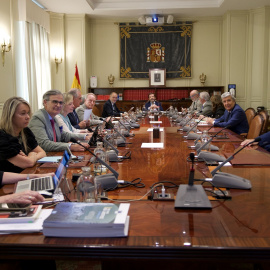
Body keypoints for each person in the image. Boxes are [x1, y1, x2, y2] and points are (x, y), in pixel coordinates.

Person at [0, 97, 46, 173]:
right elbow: (28, 163)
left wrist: (31, 156)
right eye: (23, 113)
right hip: (9, 183)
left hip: (25, 175)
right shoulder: (2, 137)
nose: (28, 117)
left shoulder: (25, 131)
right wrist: (32, 154)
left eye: (28, 113)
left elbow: (43, 153)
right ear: (10, 115)